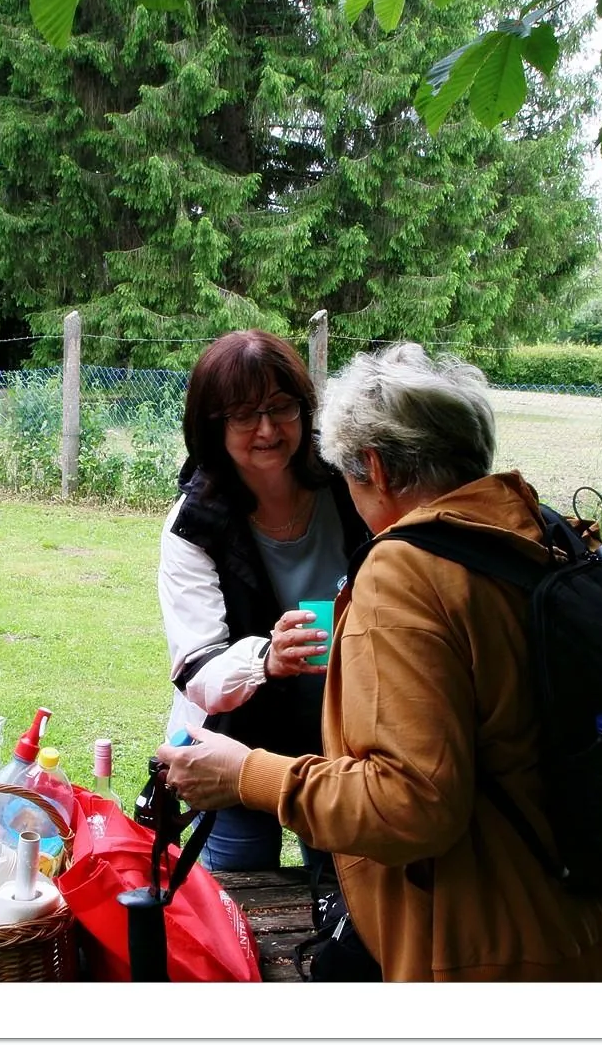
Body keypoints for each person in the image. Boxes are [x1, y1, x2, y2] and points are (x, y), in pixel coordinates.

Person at [158, 344, 602, 981]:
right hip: (591, 915)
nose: (268, 429)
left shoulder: (405, 573)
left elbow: (411, 804)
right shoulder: (541, 530)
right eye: (245, 415)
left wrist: (250, 776)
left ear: (377, 469)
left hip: (482, 943)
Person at [158, 330, 369, 872]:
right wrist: (267, 659)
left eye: (281, 407)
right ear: (213, 424)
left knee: (345, 886)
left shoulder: (349, 486)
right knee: (237, 893)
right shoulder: (196, 522)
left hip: (343, 742)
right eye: (244, 415)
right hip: (234, 745)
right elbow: (196, 670)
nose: (269, 429)